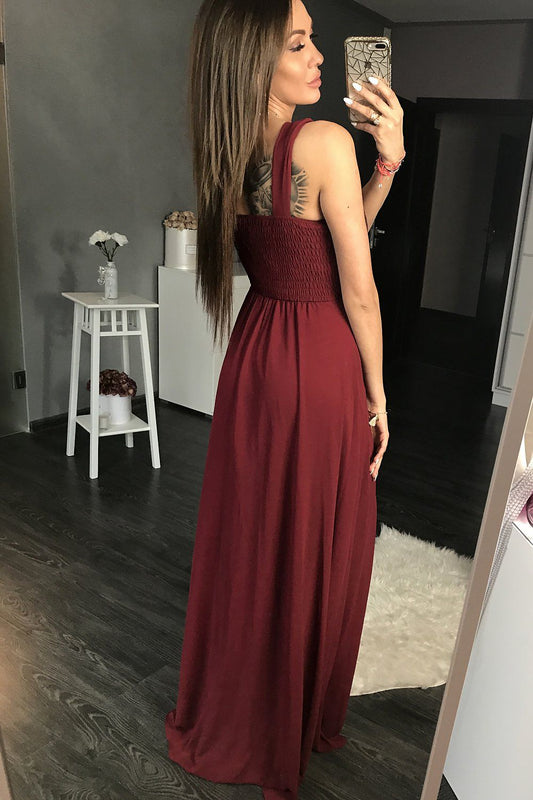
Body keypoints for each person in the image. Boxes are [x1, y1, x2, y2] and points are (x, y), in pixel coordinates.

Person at [165, 0, 406, 797]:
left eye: (313, 41)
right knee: (321, 533)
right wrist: (378, 393)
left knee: (258, 532)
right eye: (297, 43)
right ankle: (288, 714)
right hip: (316, 357)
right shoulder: (323, 140)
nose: (318, 58)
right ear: (251, 58)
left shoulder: (225, 144)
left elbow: (323, 243)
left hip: (257, 351)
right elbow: (355, 289)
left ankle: (241, 702)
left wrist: (385, 168)